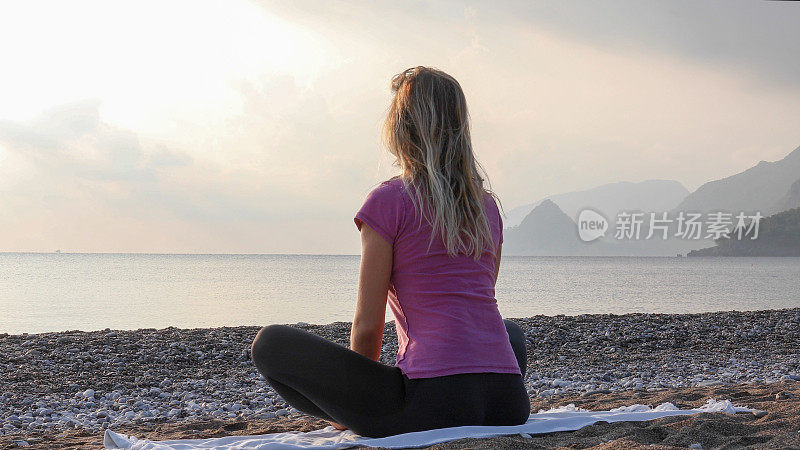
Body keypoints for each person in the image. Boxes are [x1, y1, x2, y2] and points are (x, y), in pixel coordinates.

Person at [250, 66, 530, 438]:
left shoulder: (389, 200)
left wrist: (351, 402)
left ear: (401, 128)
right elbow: (480, 298)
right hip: (508, 403)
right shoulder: (487, 208)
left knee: (270, 343)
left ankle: (347, 415)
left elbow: (369, 324)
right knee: (508, 332)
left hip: (432, 403)